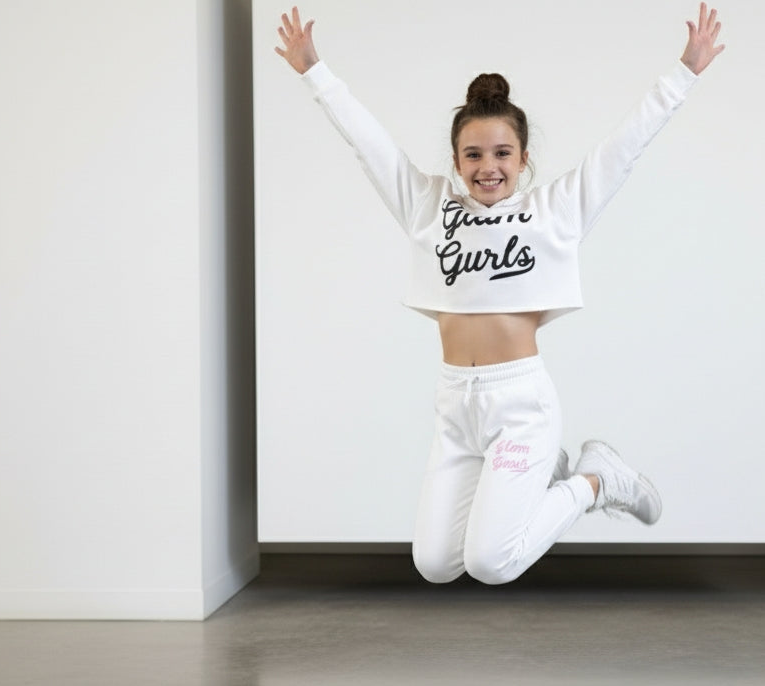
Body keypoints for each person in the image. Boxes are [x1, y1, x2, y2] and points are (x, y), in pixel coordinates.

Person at [275, 5, 725, 586]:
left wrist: (684, 72)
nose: (488, 167)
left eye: (502, 153)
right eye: (474, 155)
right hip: (455, 405)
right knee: (435, 565)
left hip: (520, 405)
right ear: (458, 161)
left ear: (524, 157)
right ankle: (556, 471)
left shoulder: (554, 211)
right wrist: (314, 71)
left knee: (491, 563)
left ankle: (594, 481)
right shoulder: (428, 207)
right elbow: (370, 145)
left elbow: (624, 148)